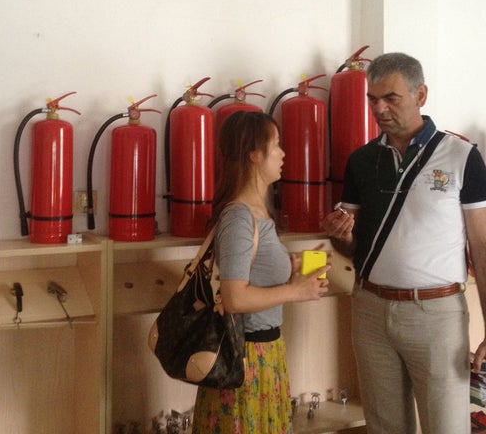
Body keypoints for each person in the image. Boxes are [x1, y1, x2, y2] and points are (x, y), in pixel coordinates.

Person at [322, 52, 486, 434]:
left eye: (390, 98)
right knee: (383, 427)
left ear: (420, 95)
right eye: (372, 99)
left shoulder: (462, 157)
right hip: (370, 309)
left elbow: (481, 244)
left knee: (446, 426)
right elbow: (353, 246)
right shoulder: (361, 161)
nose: (379, 109)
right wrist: (341, 236)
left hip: (436, 315)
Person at [192, 110, 330, 434]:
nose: (283, 154)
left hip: (266, 353)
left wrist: (292, 267)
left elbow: (252, 271)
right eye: (276, 145)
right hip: (245, 358)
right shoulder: (240, 218)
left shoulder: (258, 213)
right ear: (254, 154)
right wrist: (297, 290)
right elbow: (235, 297)